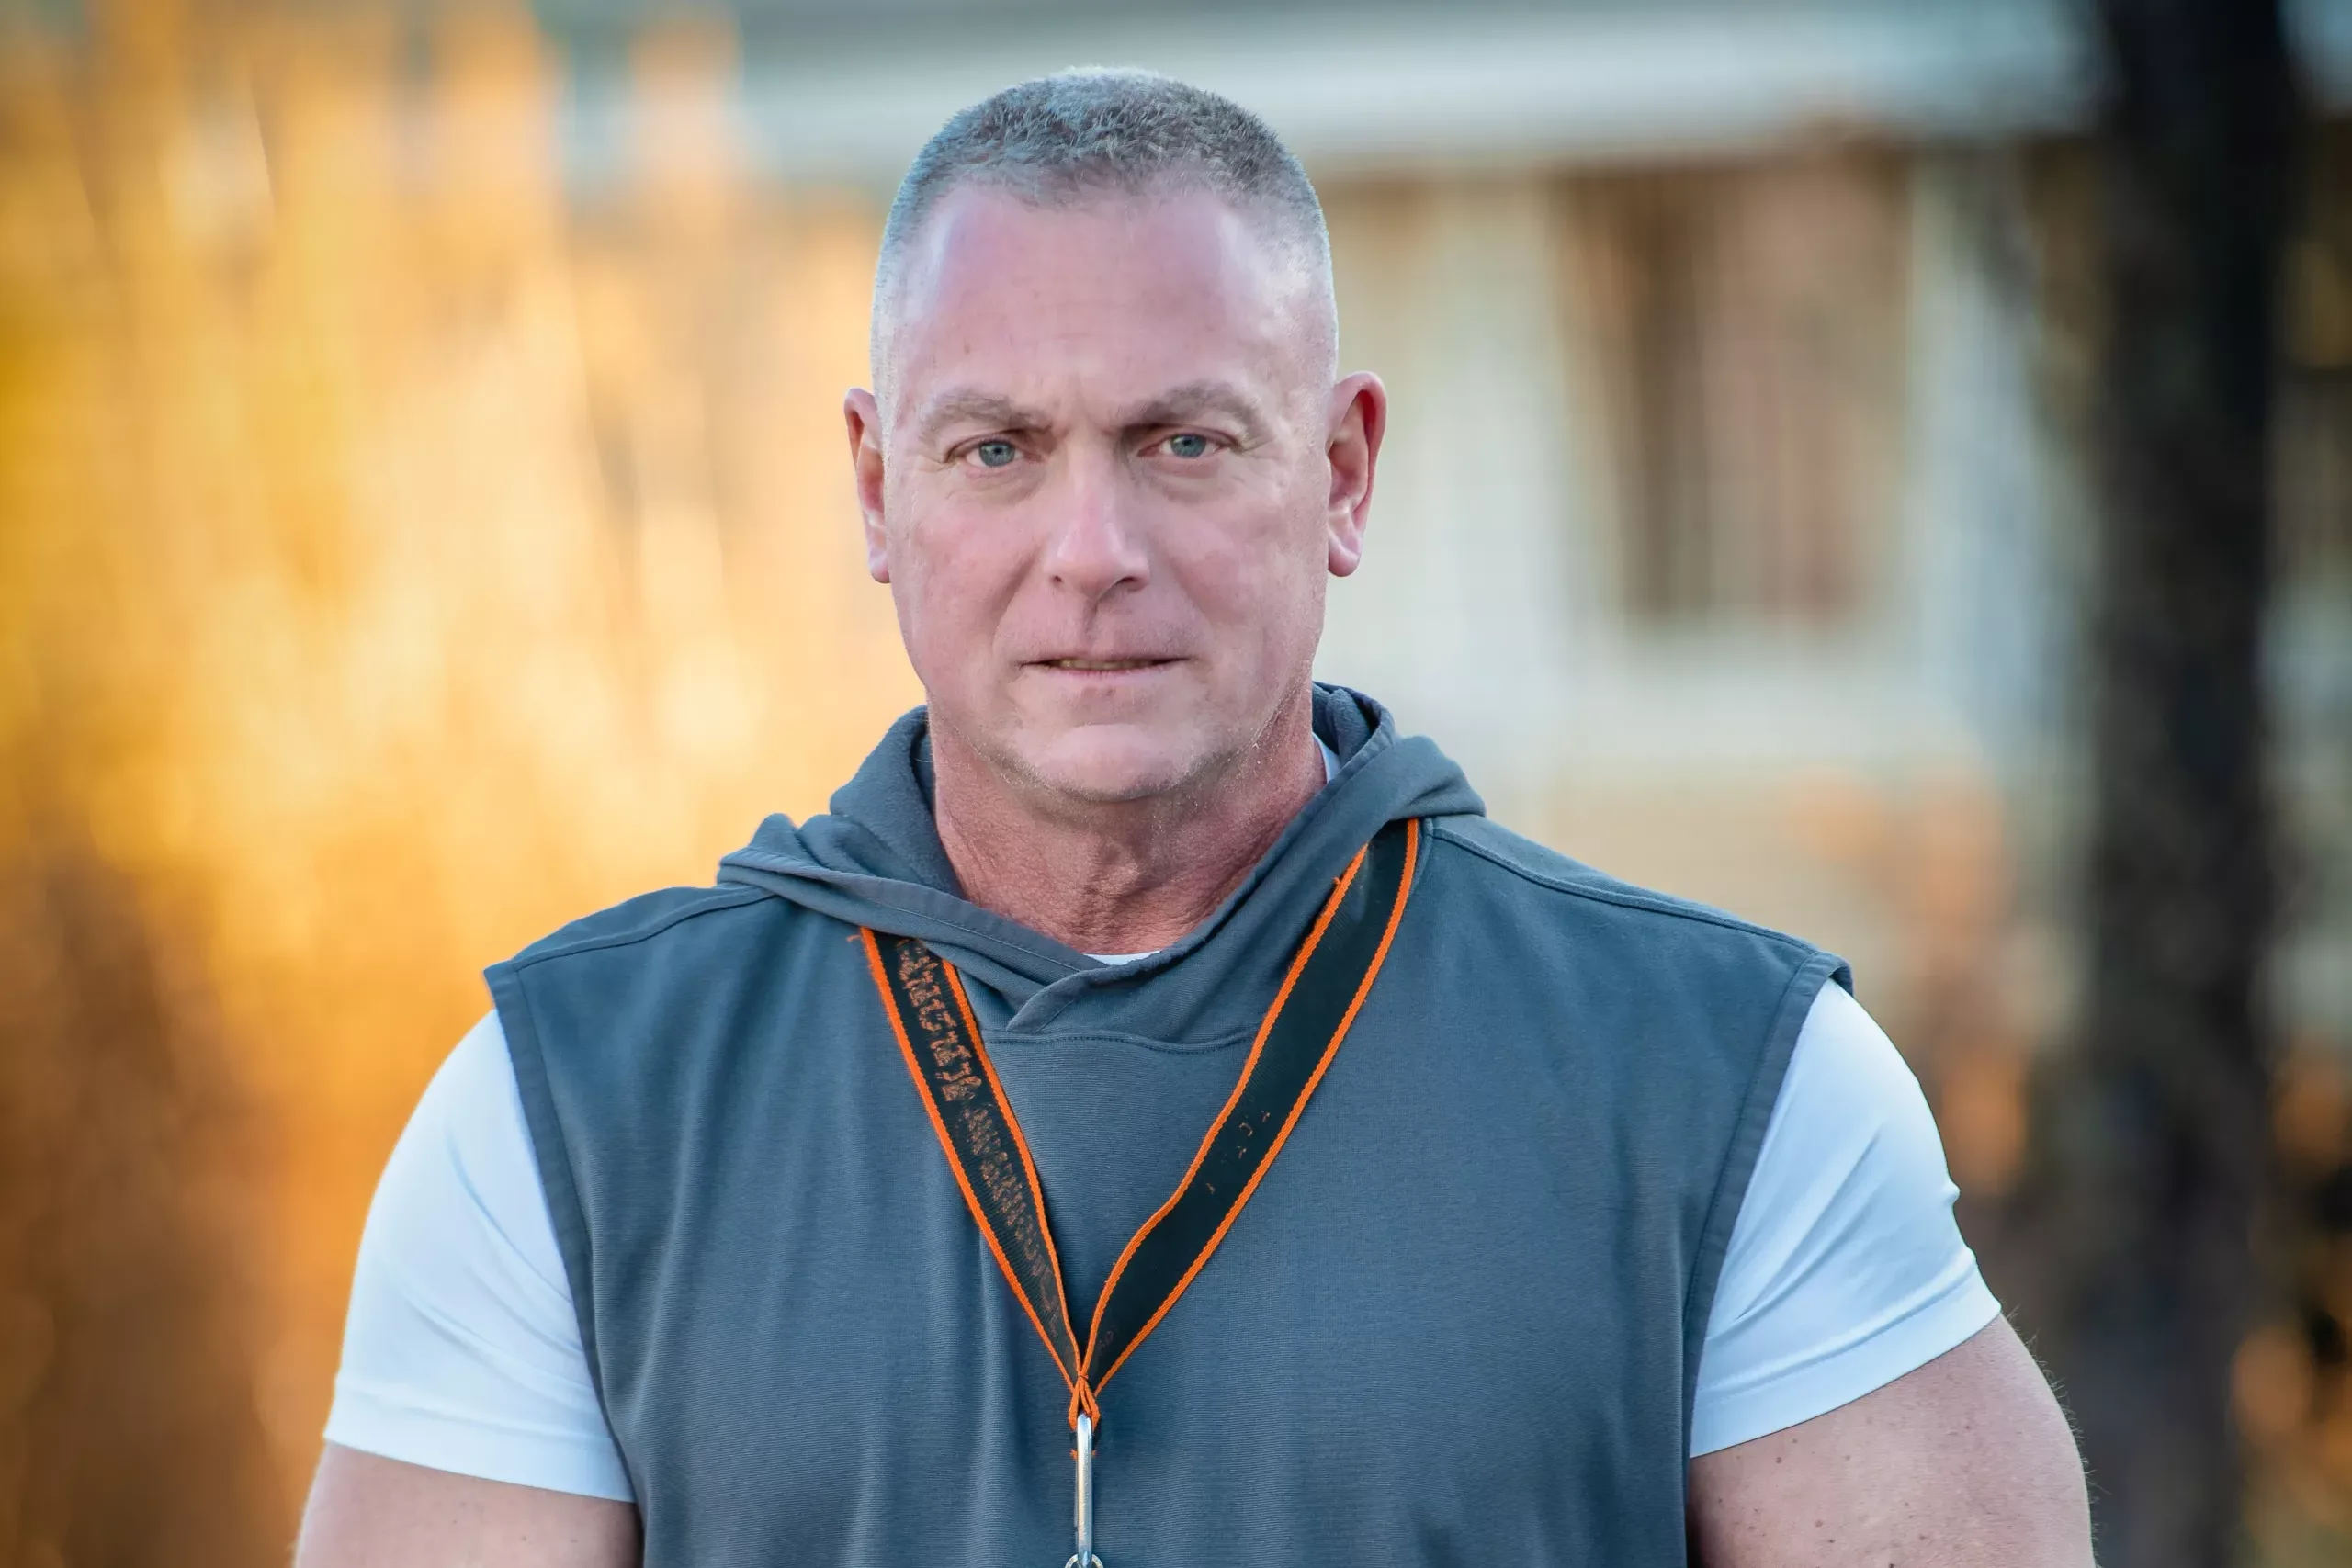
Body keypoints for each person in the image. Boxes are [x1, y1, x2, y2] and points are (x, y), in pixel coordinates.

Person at [294, 70, 2092, 1567]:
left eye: (1183, 441)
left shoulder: (1733, 1089)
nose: (1091, 552)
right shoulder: (562, 1112)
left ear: (1338, 471)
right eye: (995, 448)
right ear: (873, 486)